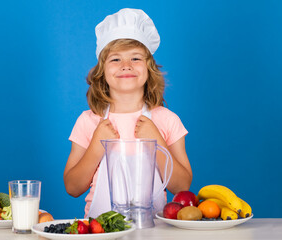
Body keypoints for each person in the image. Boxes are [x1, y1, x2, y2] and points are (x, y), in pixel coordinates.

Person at [64, 8, 192, 218]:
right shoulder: (88, 121)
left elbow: (182, 186)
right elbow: (72, 187)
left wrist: (157, 142)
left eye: (135, 58)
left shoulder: (167, 120)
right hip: (100, 230)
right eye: (115, 59)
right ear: (101, 72)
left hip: (155, 231)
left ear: (149, 69)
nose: (126, 66)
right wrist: (96, 146)